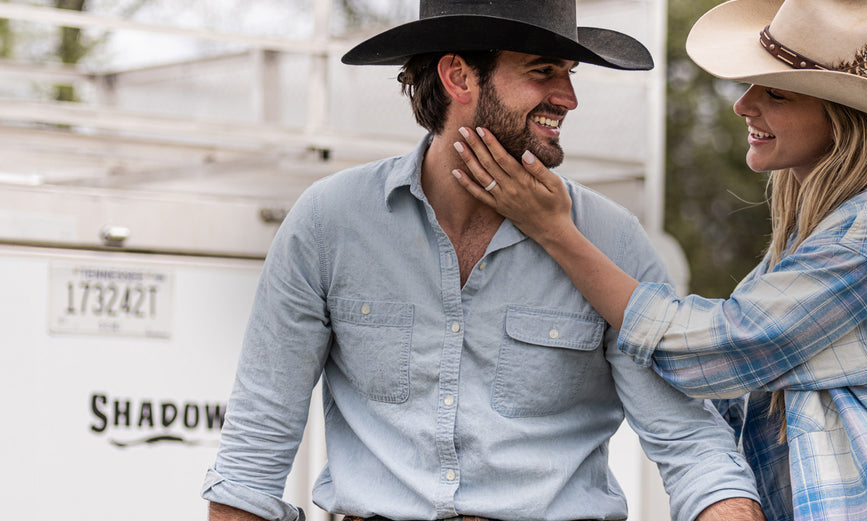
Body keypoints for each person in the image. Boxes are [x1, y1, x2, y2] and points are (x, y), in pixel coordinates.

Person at [448, 0, 867, 519]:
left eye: (776, 93)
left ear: (838, 118)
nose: (744, 105)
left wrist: (556, 231)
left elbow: (717, 349)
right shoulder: (834, 225)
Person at [202, 1, 764, 521]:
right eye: (544, 71)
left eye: (570, 74)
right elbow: (255, 446)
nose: (569, 98)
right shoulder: (330, 221)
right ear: (458, 77)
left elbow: (692, 446)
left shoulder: (611, 241)